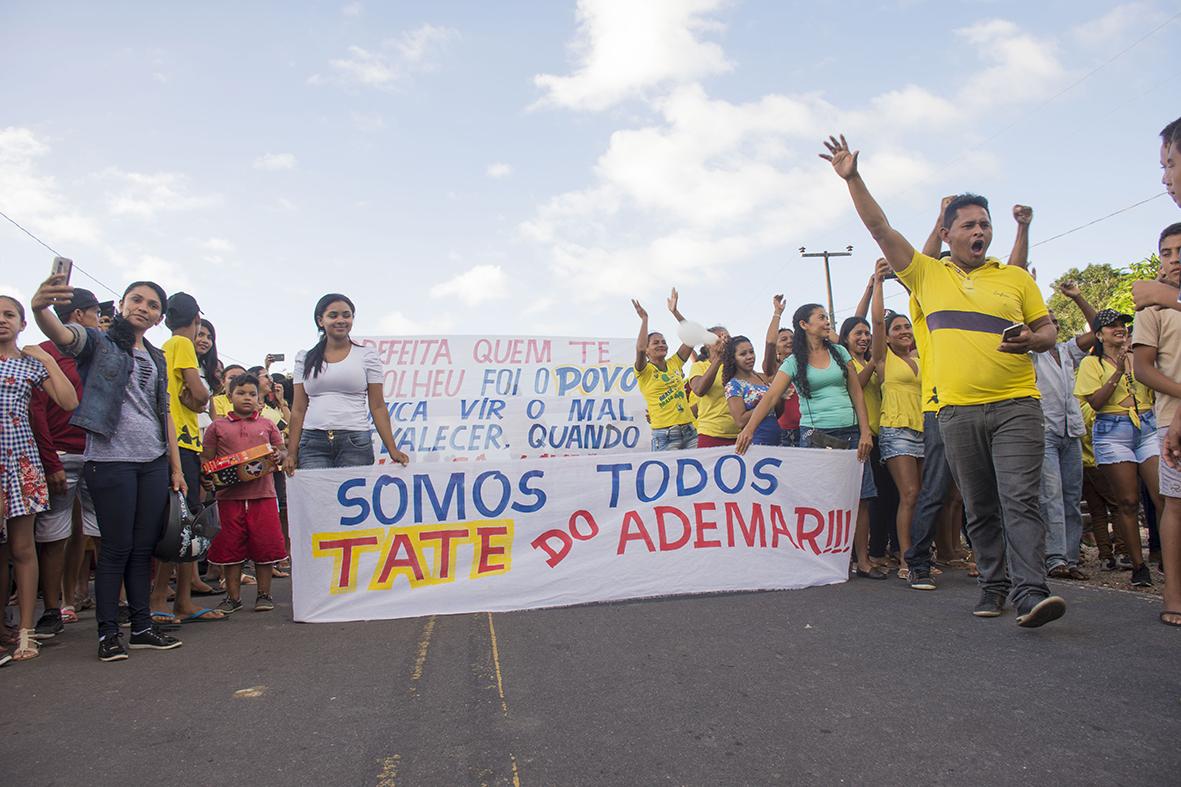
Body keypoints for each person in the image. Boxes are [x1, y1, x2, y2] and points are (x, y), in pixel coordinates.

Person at [822, 134, 1065, 626]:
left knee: (1020, 497)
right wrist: (853, 178)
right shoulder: (928, 276)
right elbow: (879, 226)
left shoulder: (1015, 279)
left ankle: (1030, 592)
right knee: (979, 504)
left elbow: (1049, 330)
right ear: (948, 233)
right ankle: (994, 585)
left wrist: (1034, 341)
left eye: (985, 225)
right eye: (969, 224)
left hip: (1017, 403)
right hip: (955, 412)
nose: (980, 231)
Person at [31, 274, 186, 661]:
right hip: (109, 460)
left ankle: (143, 627)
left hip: (151, 460)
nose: (143, 307)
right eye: (136, 299)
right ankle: (107, 634)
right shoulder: (98, 342)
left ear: (158, 317)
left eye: (152, 305)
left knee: (141, 549)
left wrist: (175, 466)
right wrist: (40, 309)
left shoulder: (157, 356)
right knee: (115, 548)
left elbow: (164, 412)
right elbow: (66, 337)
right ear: (121, 305)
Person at [736, 303, 880, 579]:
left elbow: (857, 394)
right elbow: (770, 398)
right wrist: (749, 430)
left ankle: (863, 560)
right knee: (822, 499)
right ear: (804, 324)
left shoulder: (839, 352)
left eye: (827, 317)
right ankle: (825, 558)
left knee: (862, 497)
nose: (827, 322)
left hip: (851, 433)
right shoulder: (793, 362)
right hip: (816, 437)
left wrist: (865, 432)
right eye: (821, 318)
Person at [0, 295, 79, 662]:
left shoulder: (31, 365)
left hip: (22, 464)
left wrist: (47, 358)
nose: (3, 320)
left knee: (22, 548)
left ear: (22, 323)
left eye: (9, 314)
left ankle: (26, 632)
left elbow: (68, 402)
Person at [28, 288, 102, 640]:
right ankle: (53, 608)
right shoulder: (42, 354)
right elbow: (37, 412)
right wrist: (50, 462)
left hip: (98, 454)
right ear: (78, 316)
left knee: (99, 531)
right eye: (94, 313)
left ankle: (106, 602)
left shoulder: (100, 352)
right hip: (58, 456)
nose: (99, 319)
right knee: (54, 534)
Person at [149, 293, 225, 623]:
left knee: (186, 524)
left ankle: (181, 600)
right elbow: (200, 393)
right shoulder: (180, 345)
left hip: (178, 439)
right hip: (181, 440)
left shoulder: (162, 348)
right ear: (195, 319)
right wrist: (199, 398)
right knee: (178, 525)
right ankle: (162, 601)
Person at [1073, 309, 1160, 589]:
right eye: (1111, 326)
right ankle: (1138, 565)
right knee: (1127, 502)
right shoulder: (1091, 364)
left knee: (1163, 496)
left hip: (1147, 424)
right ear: (1099, 335)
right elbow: (1096, 403)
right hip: (1112, 430)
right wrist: (1119, 371)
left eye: (1121, 324)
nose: (1119, 328)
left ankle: (1169, 559)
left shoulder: (1140, 356)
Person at [285, 293, 409, 473]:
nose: (341, 320)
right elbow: (298, 409)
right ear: (321, 321)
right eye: (333, 315)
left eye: (346, 315)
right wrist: (291, 453)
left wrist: (392, 448)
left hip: (355, 440)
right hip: (312, 442)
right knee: (319, 499)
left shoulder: (367, 356)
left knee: (354, 499)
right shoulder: (304, 358)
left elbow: (378, 407)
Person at [204, 373, 287, 613]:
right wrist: (208, 476)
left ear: (260, 399)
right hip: (228, 498)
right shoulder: (216, 427)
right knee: (230, 547)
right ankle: (232, 597)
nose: (247, 398)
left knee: (265, 545)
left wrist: (277, 456)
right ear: (229, 396)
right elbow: (207, 460)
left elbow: (282, 451)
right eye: (241, 393)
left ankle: (264, 594)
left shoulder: (268, 425)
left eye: (252, 394)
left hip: (264, 495)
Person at [1031, 281, 1098, 581]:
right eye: (1046, 322)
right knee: (1051, 495)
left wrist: (1078, 297)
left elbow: (1100, 330)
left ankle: (1071, 557)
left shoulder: (1068, 351)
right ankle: (1054, 557)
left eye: (1055, 321)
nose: (1053, 325)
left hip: (1071, 432)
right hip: (1044, 430)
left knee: (1071, 496)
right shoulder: (1031, 354)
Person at [1132, 222, 1181, 624]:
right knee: (1176, 506)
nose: (1174, 259)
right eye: (1166, 252)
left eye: (1180, 250)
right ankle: (1173, 595)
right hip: (1171, 421)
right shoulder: (1154, 310)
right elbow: (1144, 369)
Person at [871, 264, 924, 581]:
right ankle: (907, 557)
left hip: (925, 429)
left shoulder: (922, 357)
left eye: (907, 327)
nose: (904, 331)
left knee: (924, 496)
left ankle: (920, 552)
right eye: (897, 328)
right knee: (910, 494)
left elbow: (924, 316)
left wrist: (910, 285)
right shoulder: (883, 359)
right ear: (887, 338)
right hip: (897, 431)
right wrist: (878, 282)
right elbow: (877, 322)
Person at [630, 289, 696, 451]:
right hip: (665, 436)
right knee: (669, 477)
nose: (661, 344)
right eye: (655, 343)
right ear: (647, 350)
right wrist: (645, 319)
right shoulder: (644, 371)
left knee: (695, 475)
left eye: (664, 341)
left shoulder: (674, 363)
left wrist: (675, 312)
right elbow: (639, 348)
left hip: (689, 432)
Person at [722, 335, 781, 446]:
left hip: (777, 439)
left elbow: (778, 412)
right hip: (756, 442)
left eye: (751, 352)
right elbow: (740, 421)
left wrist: (780, 397)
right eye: (743, 354)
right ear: (733, 359)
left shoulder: (763, 378)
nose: (750, 357)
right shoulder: (733, 385)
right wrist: (766, 404)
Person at [689, 326, 740, 448]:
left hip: (739, 435)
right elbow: (699, 390)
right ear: (707, 344)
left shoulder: (737, 366)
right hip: (710, 434)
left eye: (726, 338)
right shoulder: (699, 366)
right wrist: (719, 358)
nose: (723, 341)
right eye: (718, 338)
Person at [762, 298, 801, 447]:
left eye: (792, 338)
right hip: (785, 434)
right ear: (776, 350)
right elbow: (770, 343)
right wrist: (777, 313)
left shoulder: (806, 364)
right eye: (783, 339)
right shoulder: (773, 369)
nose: (789, 341)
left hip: (809, 430)